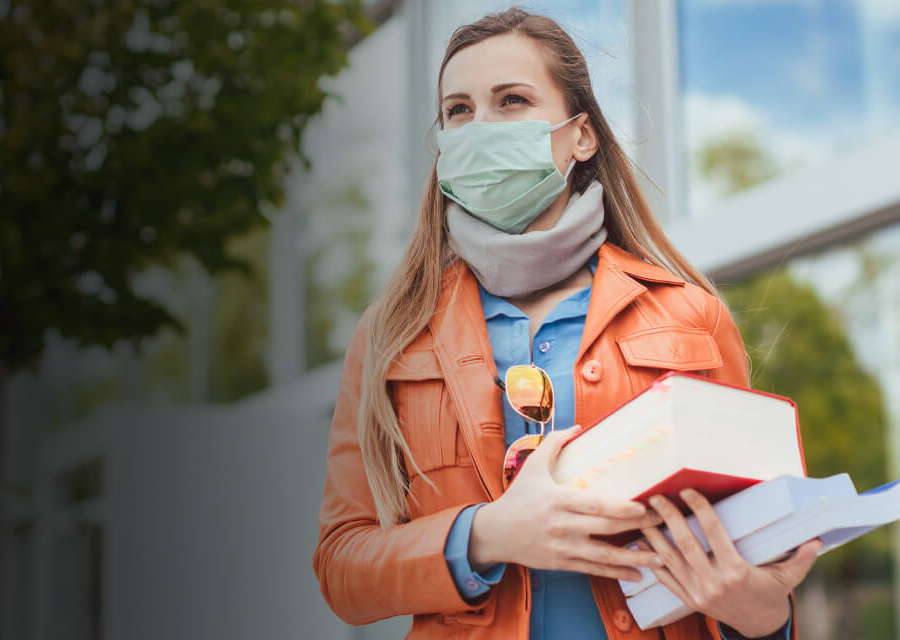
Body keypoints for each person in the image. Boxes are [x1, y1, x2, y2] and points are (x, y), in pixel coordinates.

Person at [311, 7, 821, 639]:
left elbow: (756, 551)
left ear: (582, 136)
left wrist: (766, 616)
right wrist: (487, 535)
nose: (480, 127)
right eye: (459, 111)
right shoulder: (391, 333)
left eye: (512, 100)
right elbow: (342, 567)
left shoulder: (689, 313)